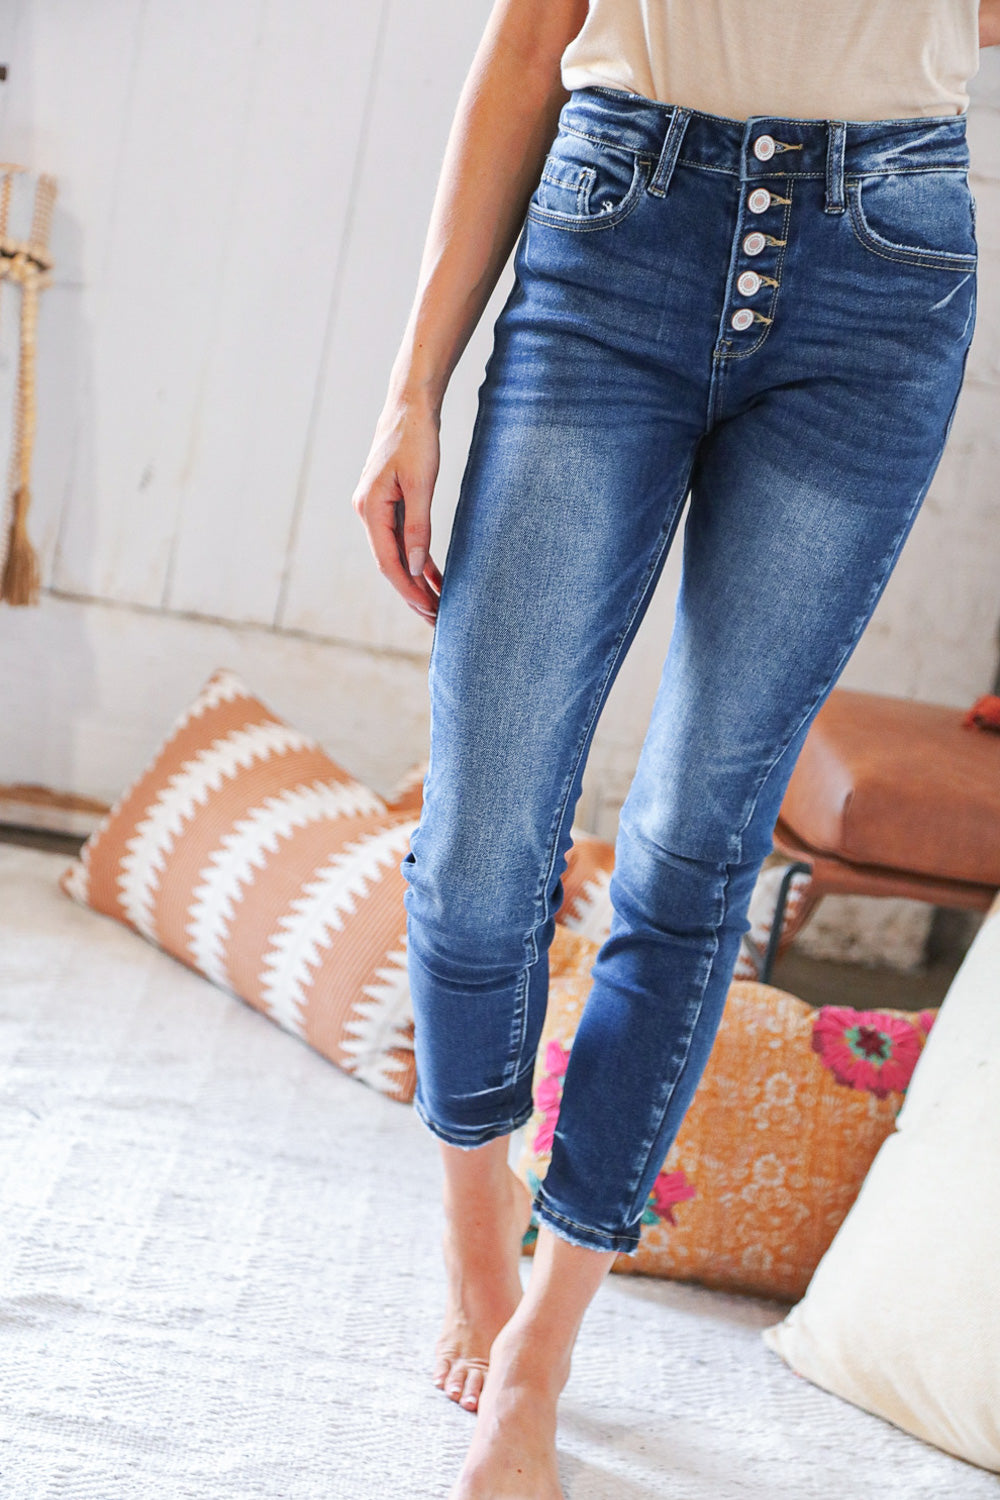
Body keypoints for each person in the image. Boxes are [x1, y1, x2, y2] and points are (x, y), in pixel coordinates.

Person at [353, 3, 1000, 1495]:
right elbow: (530, 41)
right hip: (619, 224)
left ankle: (544, 1342)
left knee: (696, 843)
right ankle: (475, 1243)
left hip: (884, 264)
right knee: (484, 827)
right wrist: (411, 389)